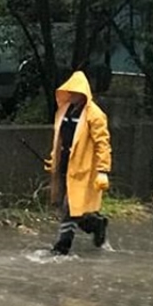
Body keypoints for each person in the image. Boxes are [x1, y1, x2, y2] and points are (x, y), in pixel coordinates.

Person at [43, 71, 112, 255]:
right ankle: (97, 224)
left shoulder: (95, 115)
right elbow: (60, 138)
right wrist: (53, 159)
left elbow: (102, 143)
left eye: (74, 92)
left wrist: (103, 169)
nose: (71, 95)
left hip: (84, 170)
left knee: (69, 207)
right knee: (73, 207)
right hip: (65, 166)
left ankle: (62, 246)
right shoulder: (64, 111)